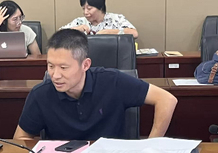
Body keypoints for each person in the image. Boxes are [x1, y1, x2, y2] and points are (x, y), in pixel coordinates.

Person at [13, 29, 177, 141]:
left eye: (63, 67)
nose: (55, 75)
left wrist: (151, 146)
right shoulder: (40, 94)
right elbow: (20, 138)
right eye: (50, 66)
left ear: (85, 65)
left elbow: (167, 100)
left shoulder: (113, 81)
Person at [61, 0, 138, 38]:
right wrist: (75, 30)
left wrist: (109, 32)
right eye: (83, 8)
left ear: (100, 7)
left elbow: (134, 33)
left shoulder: (116, 19)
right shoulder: (80, 21)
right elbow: (58, 35)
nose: (85, 12)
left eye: (89, 8)